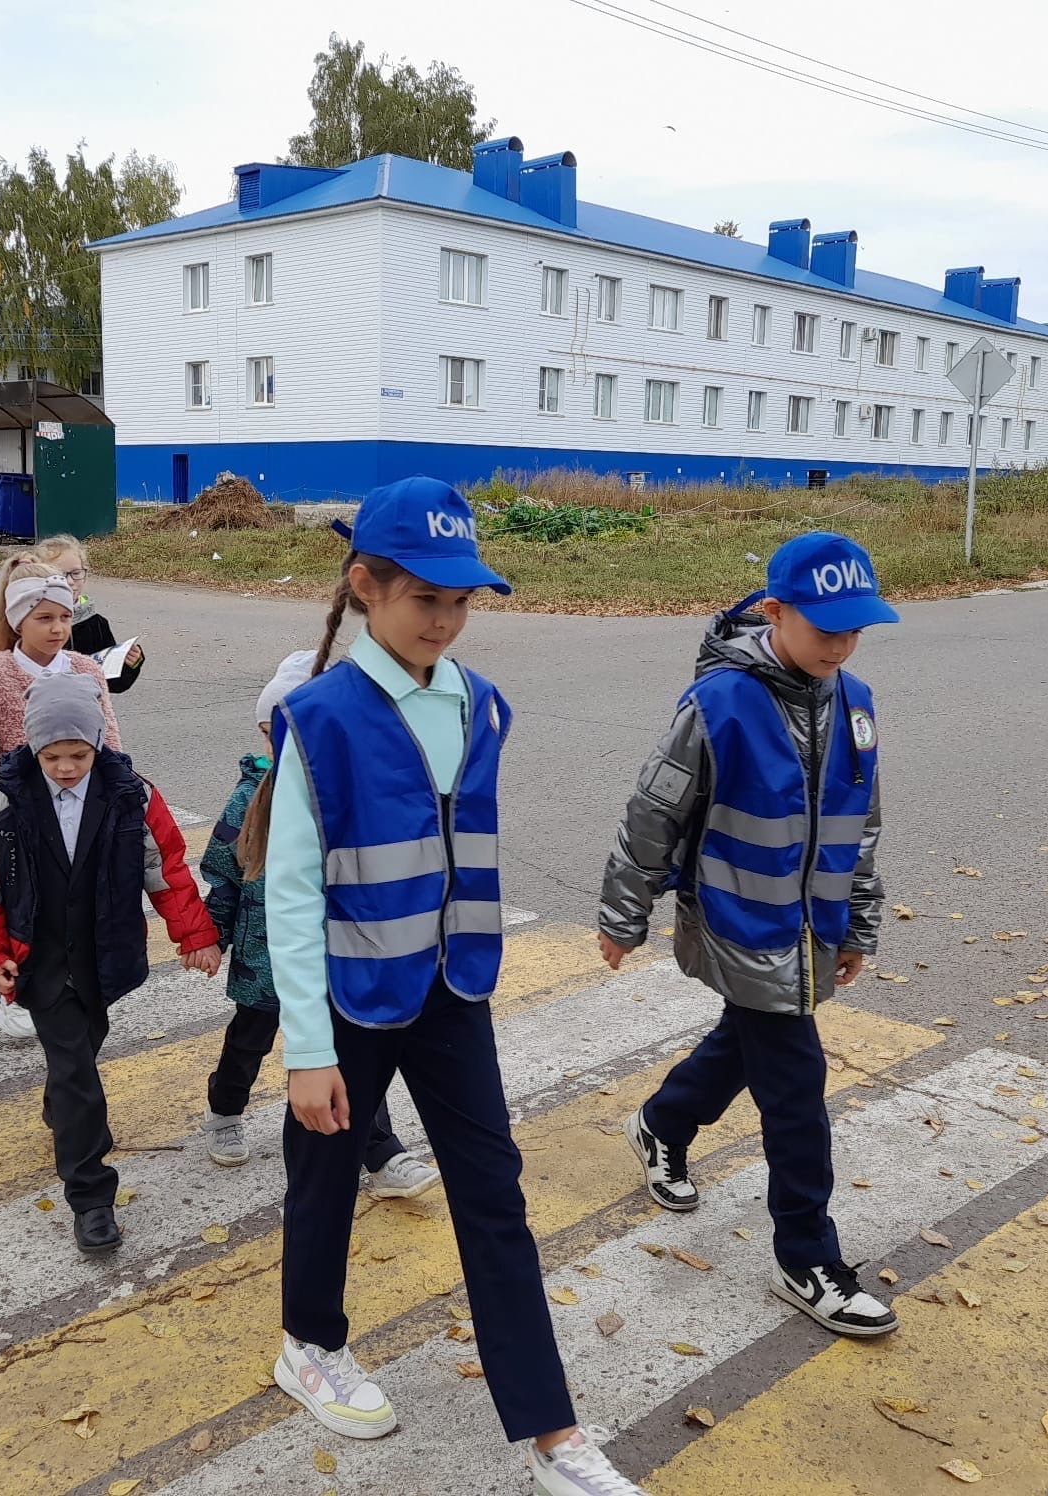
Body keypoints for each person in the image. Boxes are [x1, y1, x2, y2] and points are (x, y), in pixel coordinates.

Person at [253, 477, 641, 1495]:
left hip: (451, 990)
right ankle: (308, 1342)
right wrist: (305, 1048)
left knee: (493, 1193)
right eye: (424, 597)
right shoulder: (319, 717)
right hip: (347, 997)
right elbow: (290, 891)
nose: (445, 617)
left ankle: (551, 1431)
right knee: (325, 1178)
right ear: (364, 587)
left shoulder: (483, 703)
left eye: (461, 599)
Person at [599, 532, 899, 1341]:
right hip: (738, 923)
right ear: (774, 612)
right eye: (824, 626)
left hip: (810, 930)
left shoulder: (857, 704)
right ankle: (808, 1257)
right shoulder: (719, 704)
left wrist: (858, 922)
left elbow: (859, 826)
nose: (840, 644)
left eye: (854, 629)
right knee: (796, 1089)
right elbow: (653, 811)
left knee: (748, 1041)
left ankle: (663, 1122)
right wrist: (623, 915)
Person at [0, 672, 222, 1253]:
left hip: (105, 952)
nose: (67, 767)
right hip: (38, 956)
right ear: (30, 747)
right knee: (78, 1072)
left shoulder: (132, 794)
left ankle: (61, 1103)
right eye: (53, 755)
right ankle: (92, 1198)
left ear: (100, 742)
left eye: (79, 754)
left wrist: (195, 935)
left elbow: (167, 870)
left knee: (80, 1050)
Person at [200, 648, 441, 1201]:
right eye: (269, 733)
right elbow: (225, 879)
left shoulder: (352, 799)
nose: (280, 746)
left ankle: (381, 1154)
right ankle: (226, 1107)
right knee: (249, 1042)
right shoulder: (249, 797)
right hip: (264, 962)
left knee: (350, 1054)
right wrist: (208, 935)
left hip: (338, 962)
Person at [0, 560, 122, 1041]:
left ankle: (70, 986)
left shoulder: (86, 669)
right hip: (16, 823)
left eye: (64, 617)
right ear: (18, 620)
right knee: (19, 906)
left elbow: (111, 750)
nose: (58, 628)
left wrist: (127, 810)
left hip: (77, 817)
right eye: (44, 619)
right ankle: (6, 980)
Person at [34, 534, 144, 693]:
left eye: (76, 573)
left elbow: (111, 683)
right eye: (60, 574)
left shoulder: (96, 623)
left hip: (88, 711)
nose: (71, 581)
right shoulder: (30, 622)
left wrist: (128, 664)